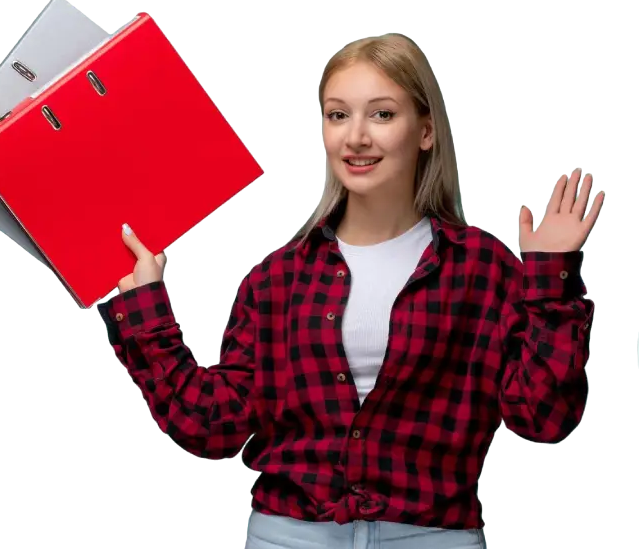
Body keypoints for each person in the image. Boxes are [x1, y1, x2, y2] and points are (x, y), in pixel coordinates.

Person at [95, 34, 601, 549]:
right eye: (338, 115)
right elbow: (212, 426)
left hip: (430, 538)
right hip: (289, 537)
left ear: (425, 131)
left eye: (381, 114)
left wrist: (551, 278)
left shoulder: (483, 269)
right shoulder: (276, 279)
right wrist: (146, 313)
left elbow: (543, 417)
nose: (356, 136)